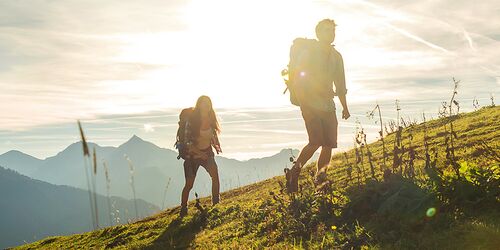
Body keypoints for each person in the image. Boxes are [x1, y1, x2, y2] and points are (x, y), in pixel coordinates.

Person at [286, 19, 350, 193]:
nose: (331, 33)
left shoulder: (337, 57)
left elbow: (341, 85)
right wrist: (305, 100)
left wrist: (345, 107)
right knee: (315, 142)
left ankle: (321, 179)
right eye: (327, 30)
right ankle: (294, 173)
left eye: (333, 30)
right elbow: (300, 76)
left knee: (329, 144)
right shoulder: (309, 52)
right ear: (318, 33)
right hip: (310, 104)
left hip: (328, 105)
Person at [180, 95, 222, 217]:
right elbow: (187, 142)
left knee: (215, 175)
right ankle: (183, 208)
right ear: (199, 105)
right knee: (189, 184)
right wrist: (199, 154)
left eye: (208, 103)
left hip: (207, 153)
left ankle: (216, 203)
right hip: (191, 156)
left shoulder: (211, 119)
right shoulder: (192, 121)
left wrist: (216, 146)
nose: (207, 105)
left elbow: (212, 135)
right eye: (204, 103)